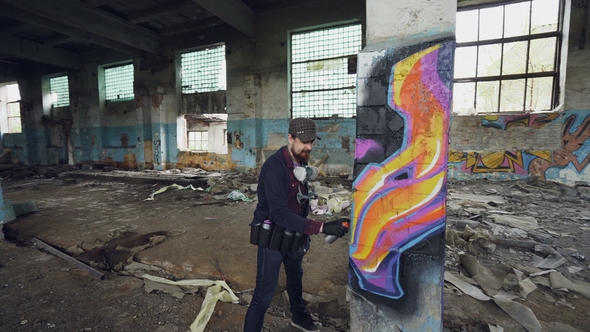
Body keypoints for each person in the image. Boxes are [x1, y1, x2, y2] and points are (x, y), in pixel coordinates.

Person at [244, 118, 350, 332]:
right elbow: (280, 214)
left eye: (312, 142)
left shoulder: (300, 162)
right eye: (304, 142)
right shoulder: (275, 167)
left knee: (295, 277)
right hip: (273, 236)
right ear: (290, 138)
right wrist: (322, 227)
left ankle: (299, 317)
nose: (309, 147)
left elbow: (298, 198)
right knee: (263, 295)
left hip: (295, 235)